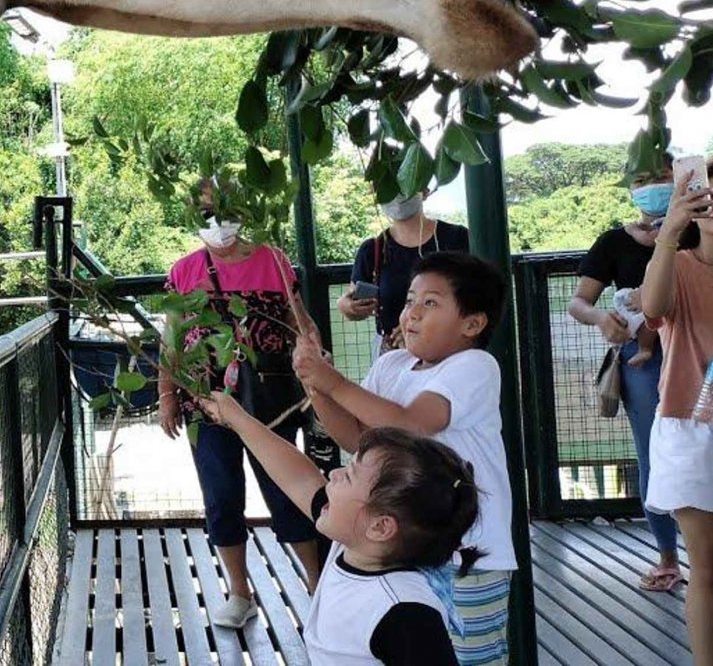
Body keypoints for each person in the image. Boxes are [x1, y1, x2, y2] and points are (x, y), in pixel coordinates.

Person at [294, 252, 515, 666]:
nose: (411, 313)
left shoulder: (476, 366)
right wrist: (317, 388)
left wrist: (334, 381)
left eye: (430, 303)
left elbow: (412, 425)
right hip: (408, 551)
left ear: (472, 323)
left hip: (473, 555)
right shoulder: (392, 363)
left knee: (473, 658)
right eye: (410, 300)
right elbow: (358, 439)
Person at [200, 389, 479, 666]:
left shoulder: (405, 612)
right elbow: (298, 478)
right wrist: (236, 417)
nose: (333, 474)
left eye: (350, 475)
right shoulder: (352, 544)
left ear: (380, 527)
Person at [158, 183, 325, 627]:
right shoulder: (184, 271)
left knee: (287, 488)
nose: (215, 221)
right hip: (206, 402)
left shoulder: (272, 260)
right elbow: (171, 338)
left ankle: (318, 585)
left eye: (223, 210)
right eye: (205, 212)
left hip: (269, 400)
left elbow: (297, 319)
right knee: (221, 494)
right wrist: (166, 394)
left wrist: (314, 359)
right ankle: (239, 590)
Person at [640, 153, 713, 666]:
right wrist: (670, 231)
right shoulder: (679, 265)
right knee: (710, 565)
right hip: (690, 429)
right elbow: (652, 308)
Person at [566, 158, 681, 591]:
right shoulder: (613, 241)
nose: (654, 187)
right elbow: (579, 302)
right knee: (652, 450)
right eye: (643, 180)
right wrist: (600, 318)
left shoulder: (702, 228)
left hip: (705, 352)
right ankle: (668, 557)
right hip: (641, 358)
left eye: (663, 177)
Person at [339, 191, 469, 356]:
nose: (396, 194)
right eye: (389, 187)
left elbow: (475, 300)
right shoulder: (373, 248)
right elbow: (353, 300)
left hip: (447, 351)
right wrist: (347, 306)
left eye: (403, 185)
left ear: (425, 190)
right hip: (392, 352)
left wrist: (416, 328)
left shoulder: (457, 238)